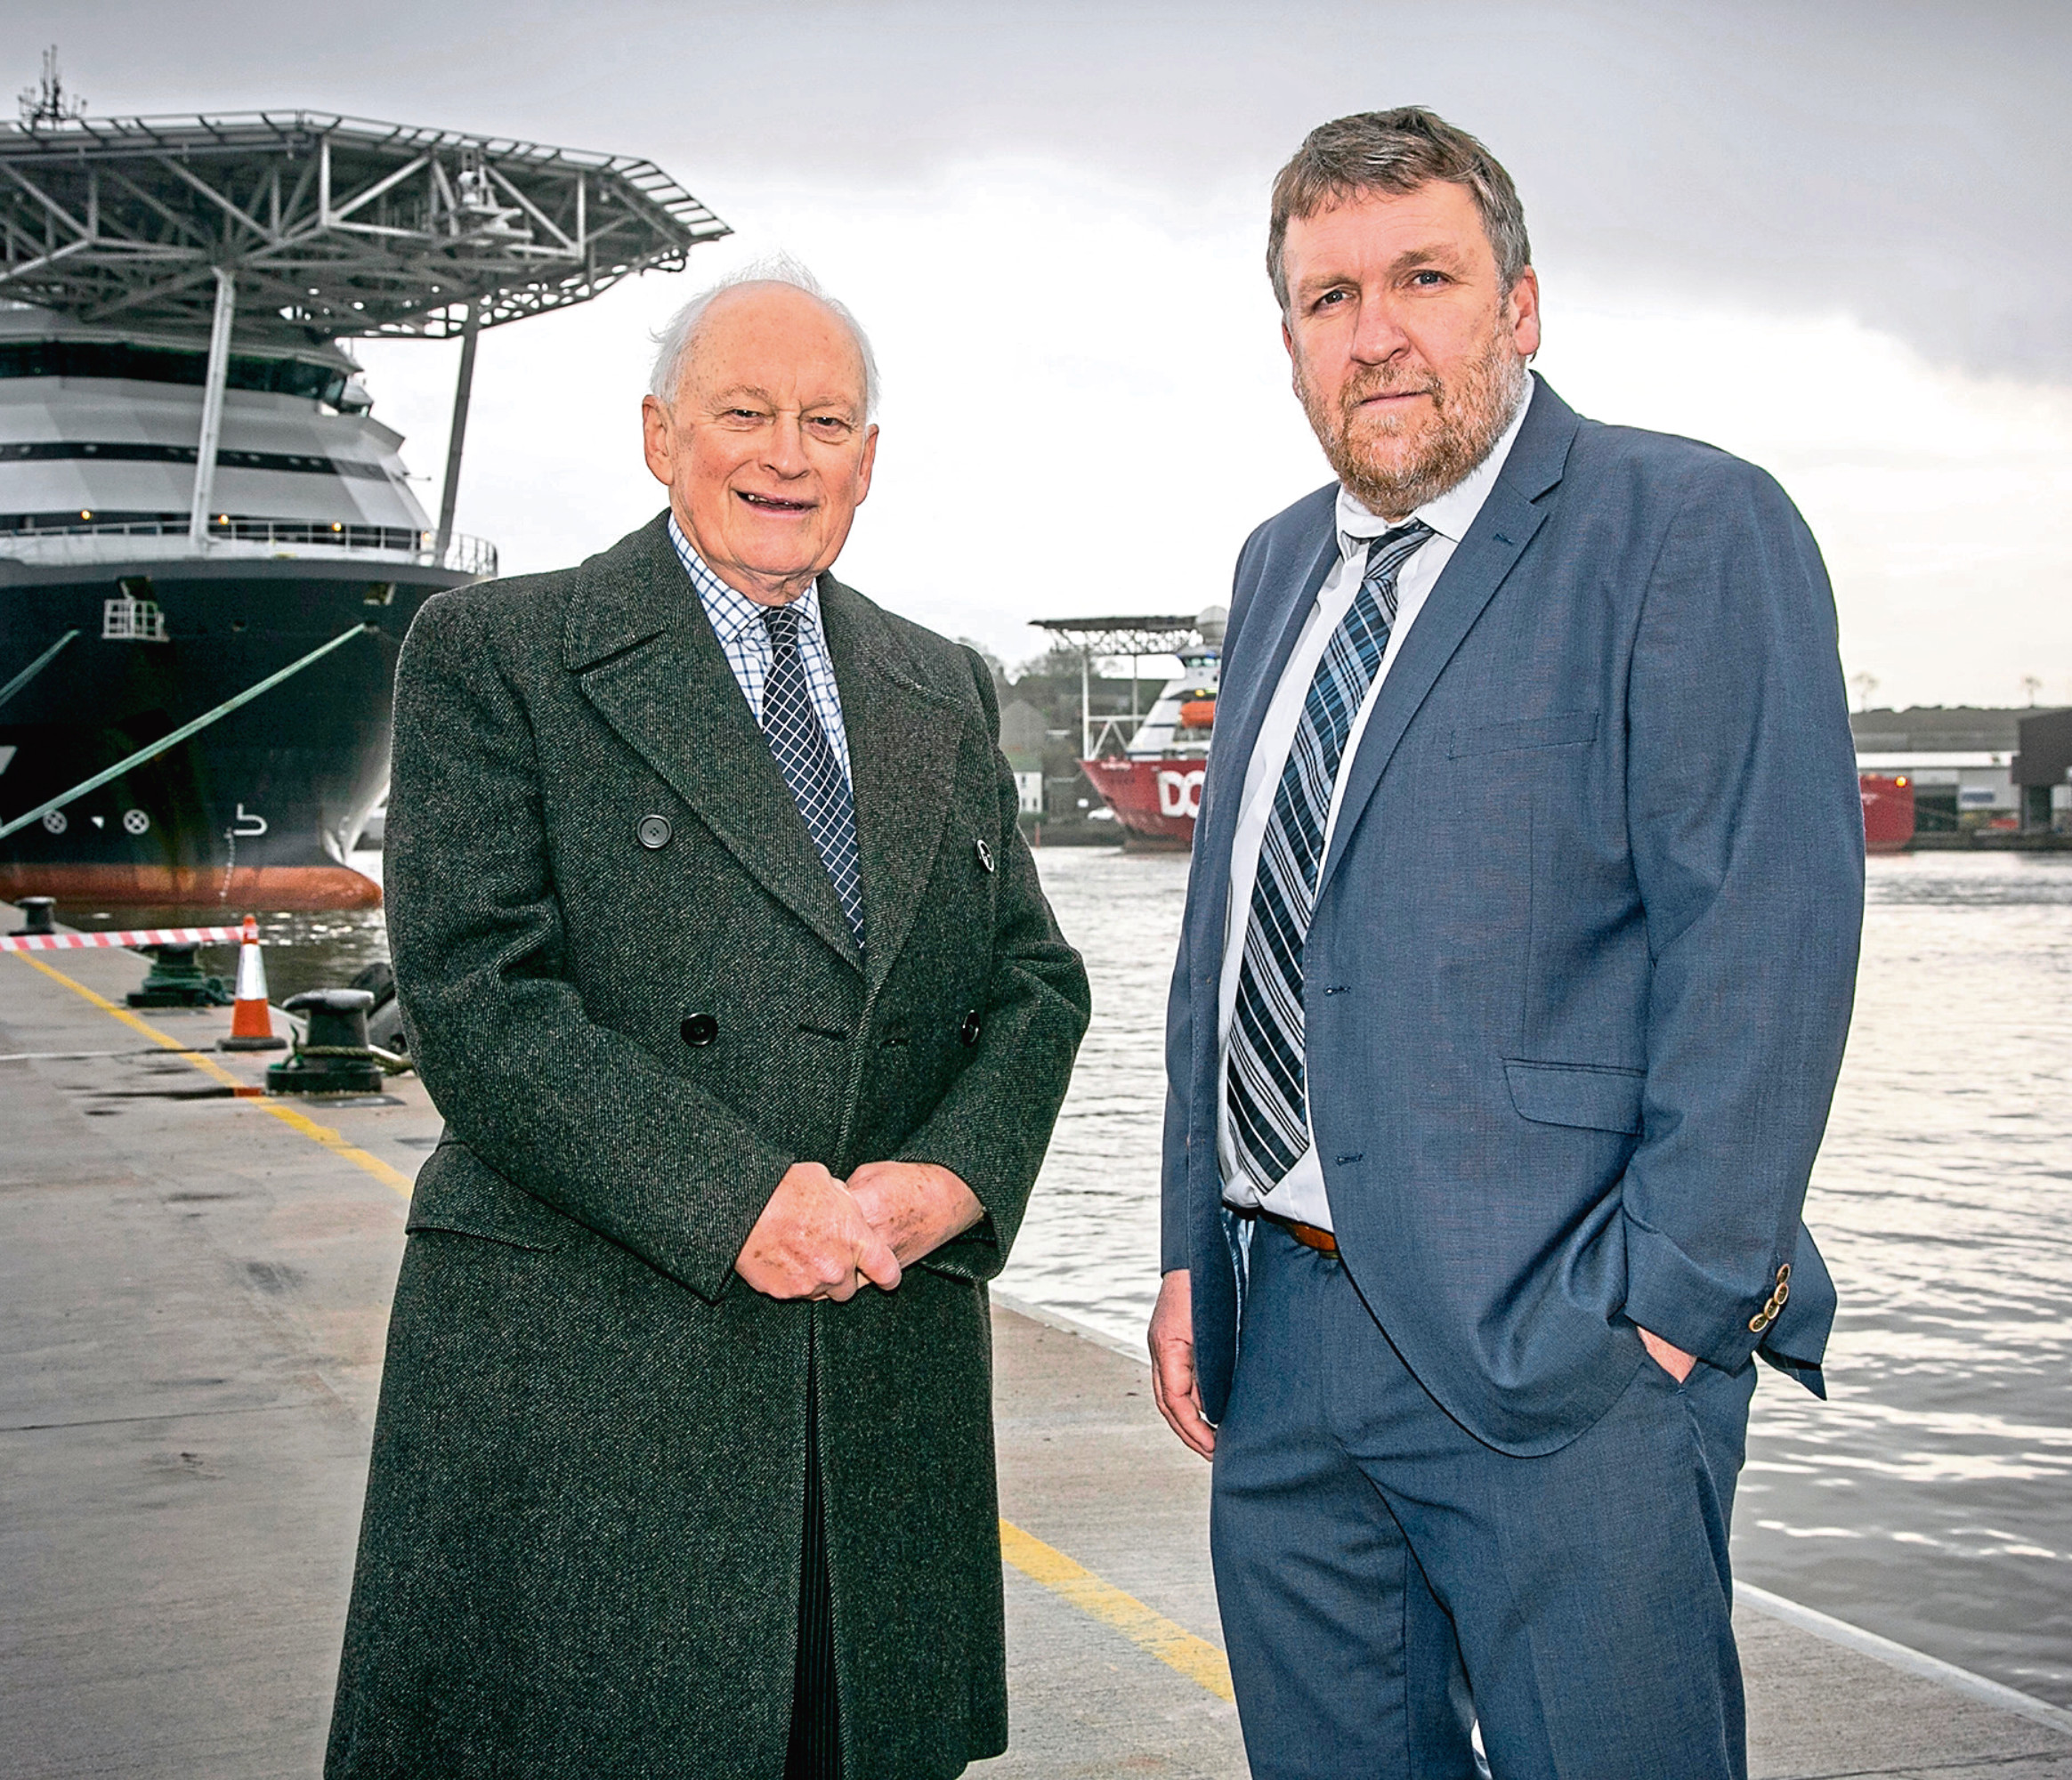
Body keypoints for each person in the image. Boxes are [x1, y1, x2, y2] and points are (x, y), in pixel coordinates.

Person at [1149, 108, 1862, 1779]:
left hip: (1567, 1356)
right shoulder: (1275, 568)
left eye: (1424, 277)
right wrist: (1196, 1245)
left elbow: (1766, 939)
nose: (1375, 329)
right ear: (1290, 342)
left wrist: (1661, 1314)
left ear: (1520, 308)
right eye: (1330, 297)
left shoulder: (1688, 527)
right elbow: (1234, 936)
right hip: (1289, 1346)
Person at [327, 258, 1090, 1780]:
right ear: (660, 433)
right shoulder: (497, 655)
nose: (785, 455)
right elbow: (477, 1001)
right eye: (745, 412)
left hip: (872, 1385)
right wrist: (736, 1198)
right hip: (595, 1381)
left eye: (826, 421)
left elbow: (1031, 980)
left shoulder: (938, 681)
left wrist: (958, 1175)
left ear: (870, 461)